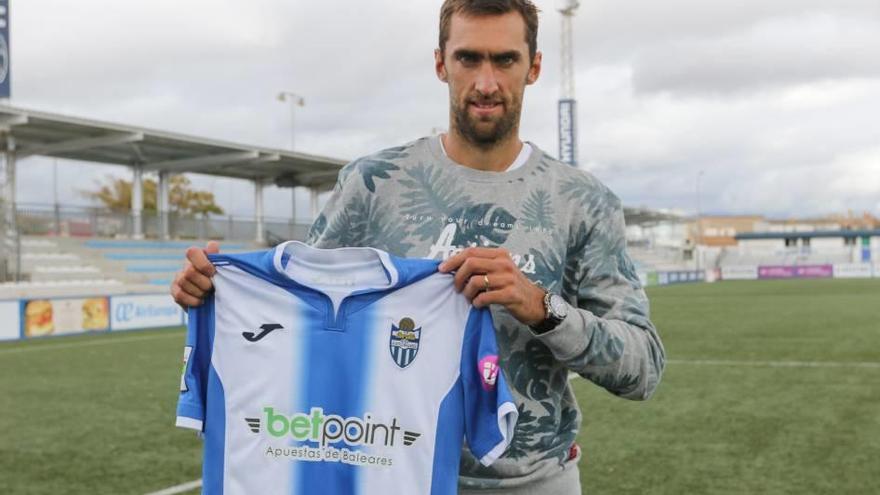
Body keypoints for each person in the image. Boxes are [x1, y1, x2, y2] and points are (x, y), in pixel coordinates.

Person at [171, 1, 665, 493]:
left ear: (533, 67)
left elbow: (642, 369)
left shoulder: (582, 201)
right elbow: (299, 314)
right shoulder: (374, 184)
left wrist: (540, 306)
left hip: (535, 482)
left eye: (505, 60)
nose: (486, 82)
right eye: (469, 58)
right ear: (440, 63)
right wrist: (210, 290)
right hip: (387, 475)